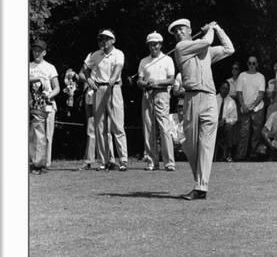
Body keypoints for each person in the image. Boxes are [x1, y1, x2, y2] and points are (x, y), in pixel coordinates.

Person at [168, 18, 234, 200]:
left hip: (210, 98)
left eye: (181, 29)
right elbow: (206, 41)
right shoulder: (181, 48)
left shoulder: (206, 51)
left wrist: (218, 28)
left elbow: (229, 48)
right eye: (175, 32)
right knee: (189, 144)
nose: (179, 33)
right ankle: (199, 181)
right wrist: (210, 29)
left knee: (206, 143)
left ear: (190, 30)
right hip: (191, 98)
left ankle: (201, 187)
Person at [79, 29, 128, 171]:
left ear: (113, 40)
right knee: (100, 127)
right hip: (98, 89)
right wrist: (89, 79)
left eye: (106, 39)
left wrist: (112, 79)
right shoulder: (95, 55)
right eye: (101, 39)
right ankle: (105, 160)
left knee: (117, 125)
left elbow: (118, 68)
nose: (103, 42)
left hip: (114, 88)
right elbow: (85, 67)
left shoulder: (118, 54)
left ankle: (123, 160)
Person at [137, 31, 175, 171]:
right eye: (151, 44)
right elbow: (139, 80)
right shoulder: (144, 61)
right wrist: (146, 84)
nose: (153, 47)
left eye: (156, 44)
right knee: (148, 128)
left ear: (160, 44)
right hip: (147, 94)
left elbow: (171, 80)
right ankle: (151, 161)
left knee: (164, 128)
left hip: (162, 94)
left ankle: (169, 162)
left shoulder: (167, 60)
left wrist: (157, 82)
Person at [29, 39, 60, 173]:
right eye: (34, 50)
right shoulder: (28, 66)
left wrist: (48, 96)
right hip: (32, 105)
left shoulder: (50, 67)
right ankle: (34, 162)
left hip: (47, 104)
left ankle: (45, 164)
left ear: (44, 53)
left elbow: (57, 87)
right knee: (33, 135)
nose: (36, 53)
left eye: (39, 51)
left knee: (47, 135)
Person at [78, 61, 116, 170]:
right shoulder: (91, 56)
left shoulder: (112, 56)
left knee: (107, 128)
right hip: (91, 95)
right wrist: (90, 80)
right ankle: (89, 160)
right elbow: (81, 74)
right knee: (91, 129)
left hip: (107, 94)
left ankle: (110, 160)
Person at [235, 56, 265, 161]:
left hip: (257, 109)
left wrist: (252, 106)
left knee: (256, 133)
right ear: (247, 64)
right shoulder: (242, 75)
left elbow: (261, 94)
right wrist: (243, 105)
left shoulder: (261, 77)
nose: (251, 65)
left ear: (257, 64)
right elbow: (239, 92)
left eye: (254, 63)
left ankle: (253, 155)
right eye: (249, 63)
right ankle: (241, 156)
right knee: (244, 132)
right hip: (245, 109)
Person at [215, 81, 238, 162]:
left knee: (229, 128)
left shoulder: (231, 102)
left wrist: (225, 121)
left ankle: (228, 154)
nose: (225, 90)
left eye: (227, 89)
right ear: (220, 89)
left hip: (225, 125)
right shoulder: (214, 99)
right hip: (214, 124)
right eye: (223, 88)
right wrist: (216, 121)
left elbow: (235, 118)